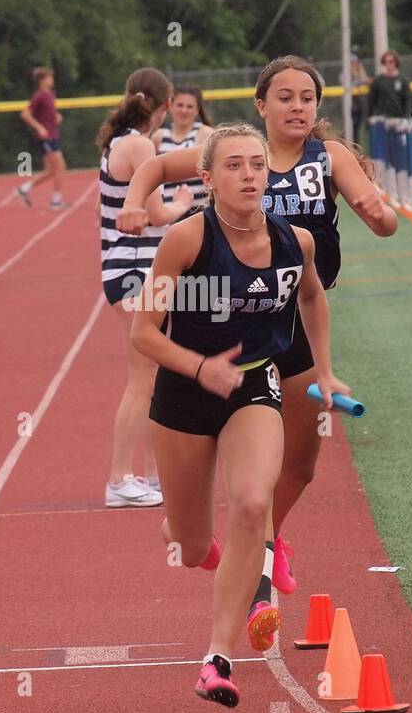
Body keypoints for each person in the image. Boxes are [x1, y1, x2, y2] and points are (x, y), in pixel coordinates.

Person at [118, 55, 397, 599]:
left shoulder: (328, 156)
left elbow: (380, 222)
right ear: (261, 104)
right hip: (235, 326)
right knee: (227, 498)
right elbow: (151, 167)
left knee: (300, 465)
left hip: (296, 325)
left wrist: (375, 209)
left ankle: (269, 541)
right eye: (286, 97)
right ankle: (253, 560)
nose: (298, 107)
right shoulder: (241, 155)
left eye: (308, 98)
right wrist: (134, 203)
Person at [132, 123, 344, 706]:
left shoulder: (294, 241)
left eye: (257, 165)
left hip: (253, 385)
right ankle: (205, 542)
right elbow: (143, 332)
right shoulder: (185, 240)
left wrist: (323, 373)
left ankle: (217, 659)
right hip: (183, 396)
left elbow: (312, 298)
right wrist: (201, 369)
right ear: (207, 179)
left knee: (253, 504)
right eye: (234, 166)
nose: (249, 175)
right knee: (193, 544)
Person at [99, 67, 195, 508]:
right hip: (135, 267)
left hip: (131, 267)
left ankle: (154, 475)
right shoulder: (140, 145)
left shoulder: (120, 142)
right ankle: (119, 479)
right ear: (160, 108)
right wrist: (181, 205)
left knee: (155, 377)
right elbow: (155, 213)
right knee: (143, 379)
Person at [152, 84, 212, 213]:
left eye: (189, 106)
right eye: (180, 105)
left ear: (197, 110)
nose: (184, 110)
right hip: (168, 214)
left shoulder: (206, 134)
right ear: (171, 107)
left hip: (199, 211)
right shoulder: (158, 137)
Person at [16, 67, 66, 209]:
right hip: (47, 137)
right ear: (42, 80)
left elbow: (50, 113)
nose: (52, 80)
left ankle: (24, 189)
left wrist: (57, 116)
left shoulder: (50, 94)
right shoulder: (39, 96)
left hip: (53, 134)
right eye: (49, 77)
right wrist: (39, 128)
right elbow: (25, 114)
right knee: (60, 166)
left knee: (51, 169)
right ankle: (56, 201)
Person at [361, 50, 412, 127]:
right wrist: (369, 117)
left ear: (396, 62)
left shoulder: (403, 80)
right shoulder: (378, 80)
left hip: (399, 119)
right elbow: (371, 100)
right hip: (382, 119)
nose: (389, 64)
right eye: (386, 61)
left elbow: (407, 100)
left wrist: (406, 116)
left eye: (391, 61)